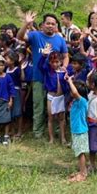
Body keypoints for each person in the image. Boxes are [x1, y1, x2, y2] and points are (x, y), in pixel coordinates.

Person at [17, 11, 68, 139]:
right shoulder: (35, 35)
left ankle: (57, 131)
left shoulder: (60, 39)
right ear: (43, 25)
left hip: (55, 79)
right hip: (38, 77)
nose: (50, 26)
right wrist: (26, 24)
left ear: (56, 25)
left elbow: (66, 56)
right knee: (38, 106)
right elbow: (20, 37)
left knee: (56, 106)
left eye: (53, 24)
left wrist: (64, 68)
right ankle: (38, 132)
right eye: (48, 23)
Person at [39, 45, 68, 145]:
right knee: (50, 118)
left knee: (61, 118)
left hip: (61, 97)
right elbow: (40, 65)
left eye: (57, 62)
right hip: (51, 97)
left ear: (61, 61)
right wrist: (43, 56)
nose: (55, 64)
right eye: (52, 62)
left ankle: (63, 138)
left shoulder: (64, 71)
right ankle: (51, 139)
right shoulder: (48, 71)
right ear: (49, 62)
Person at [66, 77, 90, 182]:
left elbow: (75, 93)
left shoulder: (82, 101)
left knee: (80, 153)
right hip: (76, 131)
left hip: (80, 131)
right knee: (78, 152)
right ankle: (82, 170)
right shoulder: (75, 102)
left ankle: (82, 174)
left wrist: (70, 81)